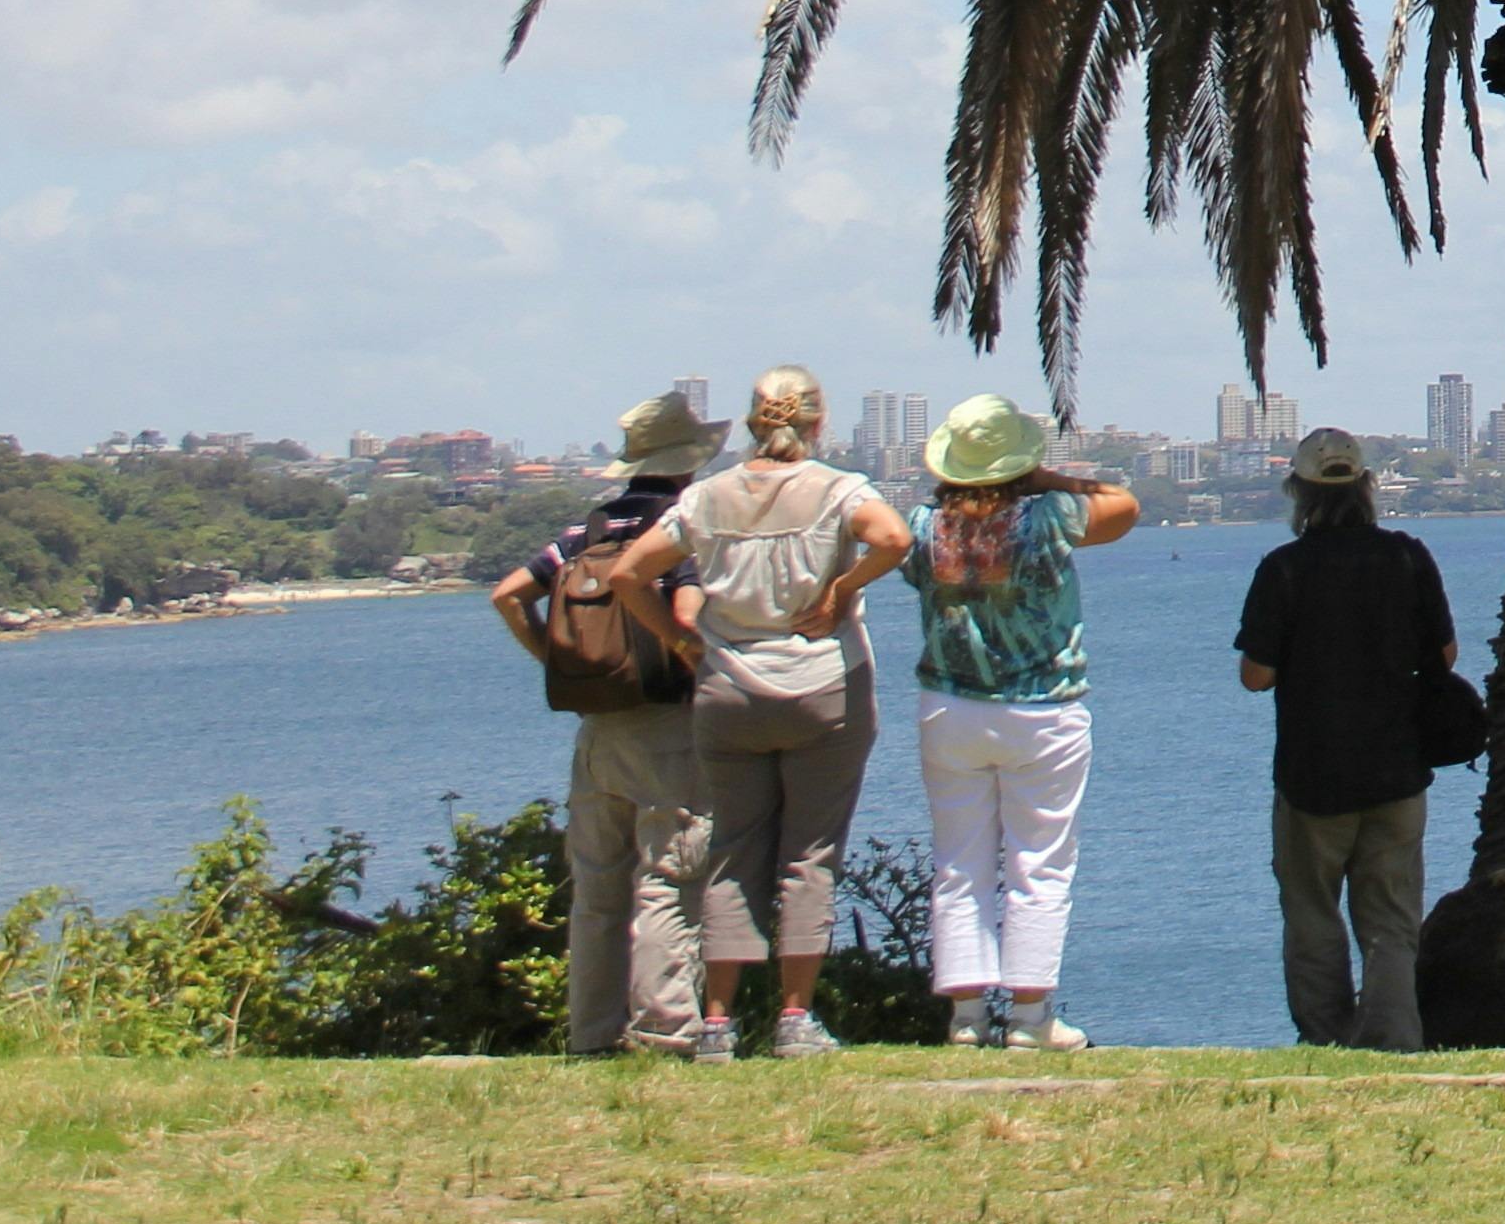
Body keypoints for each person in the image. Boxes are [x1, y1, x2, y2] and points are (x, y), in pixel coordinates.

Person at [611, 365, 908, 1061]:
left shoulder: (708, 498)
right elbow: (893, 538)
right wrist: (841, 587)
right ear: (815, 423)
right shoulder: (837, 490)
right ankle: (795, 1018)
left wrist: (680, 638)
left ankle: (717, 1021)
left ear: (752, 422)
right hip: (823, 687)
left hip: (729, 690)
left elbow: (627, 574)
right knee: (809, 855)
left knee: (732, 853)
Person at [899, 393, 1140, 1050]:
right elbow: (1123, 507)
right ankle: (1031, 1016)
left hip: (950, 702)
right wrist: (1052, 478)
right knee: (1041, 861)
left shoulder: (925, 523)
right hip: (1042, 706)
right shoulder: (1048, 516)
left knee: (959, 862)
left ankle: (967, 1018)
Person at [487, 385, 719, 1059]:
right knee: (666, 882)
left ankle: (590, 1035)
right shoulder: (677, 530)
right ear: (686, 464)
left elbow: (508, 596)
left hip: (598, 728)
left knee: (596, 889)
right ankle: (665, 1031)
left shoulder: (581, 534)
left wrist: (555, 660)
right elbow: (683, 615)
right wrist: (698, 660)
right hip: (667, 725)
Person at [1231, 427, 1458, 1049]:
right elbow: (1445, 652)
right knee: (1391, 919)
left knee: (1312, 914)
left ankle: (1327, 1036)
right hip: (1398, 767)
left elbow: (1256, 676)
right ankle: (1392, 1036)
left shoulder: (1283, 569)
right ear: (1367, 486)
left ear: (1298, 492)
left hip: (1312, 772)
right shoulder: (1407, 556)